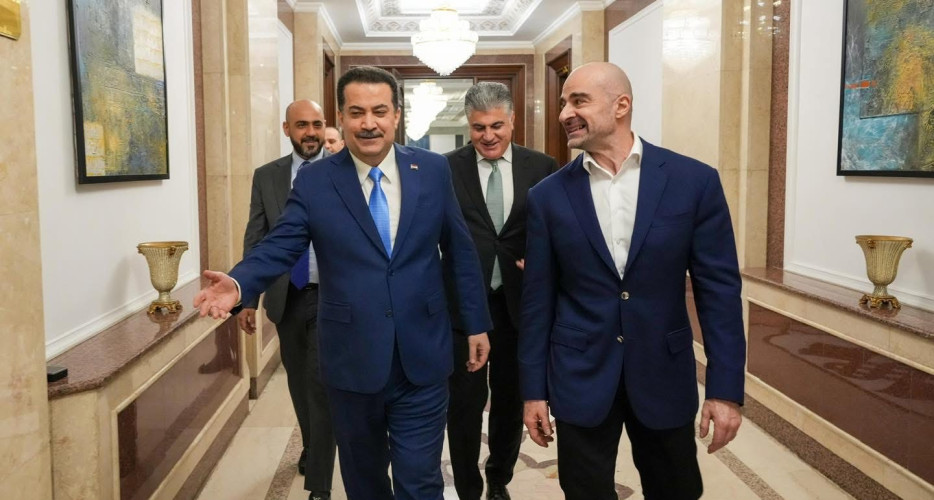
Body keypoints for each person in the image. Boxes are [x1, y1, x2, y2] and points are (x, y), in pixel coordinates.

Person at [194, 66, 492, 500]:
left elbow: (460, 250)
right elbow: (281, 243)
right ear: (342, 116)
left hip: (423, 352)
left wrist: (476, 323)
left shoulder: (431, 169)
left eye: (379, 111)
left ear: (397, 115)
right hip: (351, 358)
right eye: (356, 112)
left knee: (420, 481)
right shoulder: (316, 180)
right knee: (364, 480)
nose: (368, 123)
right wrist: (240, 284)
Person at [519, 62, 746, 500]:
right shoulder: (547, 196)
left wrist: (725, 390)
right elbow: (537, 301)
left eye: (578, 101)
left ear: (620, 105)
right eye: (563, 103)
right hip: (580, 374)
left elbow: (719, 293)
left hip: (664, 373)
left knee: (676, 490)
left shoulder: (693, 182)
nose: (564, 113)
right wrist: (533, 392)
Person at [443, 82, 557, 500]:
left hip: (519, 307)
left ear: (512, 121)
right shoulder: (445, 168)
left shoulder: (542, 167)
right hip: (463, 308)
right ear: (468, 126)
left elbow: (556, 229)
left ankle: (498, 479)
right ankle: (468, 488)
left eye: (496, 126)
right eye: (478, 128)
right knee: (464, 405)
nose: (488, 136)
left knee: (511, 401)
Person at [238, 99, 335, 499]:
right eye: (302, 125)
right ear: (287, 129)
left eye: (317, 124)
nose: (310, 132)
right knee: (299, 379)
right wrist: (248, 297)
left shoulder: (344, 170)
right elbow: (256, 237)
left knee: (321, 382)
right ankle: (313, 445)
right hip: (288, 295)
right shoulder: (267, 177)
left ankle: (320, 482)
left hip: (335, 297)